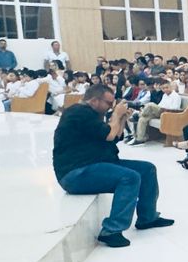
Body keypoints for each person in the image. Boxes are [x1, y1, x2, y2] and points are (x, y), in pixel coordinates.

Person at [52, 84, 171, 247]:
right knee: (129, 177)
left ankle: (147, 217)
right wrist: (116, 115)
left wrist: (121, 118)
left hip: (95, 163)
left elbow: (114, 136)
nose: (111, 106)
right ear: (94, 100)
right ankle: (112, 230)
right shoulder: (78, 113)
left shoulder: (91, 114)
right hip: (75, 172)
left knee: (147, 169)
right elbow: (109, 135)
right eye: (108, 103)